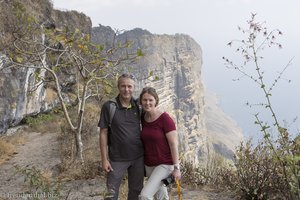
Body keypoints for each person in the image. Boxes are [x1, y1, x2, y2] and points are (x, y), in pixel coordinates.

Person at [98, 74, 144, 200]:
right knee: (111, 194)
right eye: (123, 86)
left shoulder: (138, 106)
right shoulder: (109, 106)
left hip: (138, 158)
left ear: (134, 88)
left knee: (136, 191)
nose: (126, 89)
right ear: (118, 87)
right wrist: (104, 159)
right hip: (116, 159)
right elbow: (103, 133)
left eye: (129, 86)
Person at [138, 87, 181, 200]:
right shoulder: (143, 118)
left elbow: (173, 144)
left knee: (145, 196)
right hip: (149, 165)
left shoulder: (165, 119)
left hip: (164, 165)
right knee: (161, 196)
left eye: (150, 100)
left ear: (156, 100)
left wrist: (177, 168)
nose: (147, 103)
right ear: (141, 101)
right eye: (145, 100)